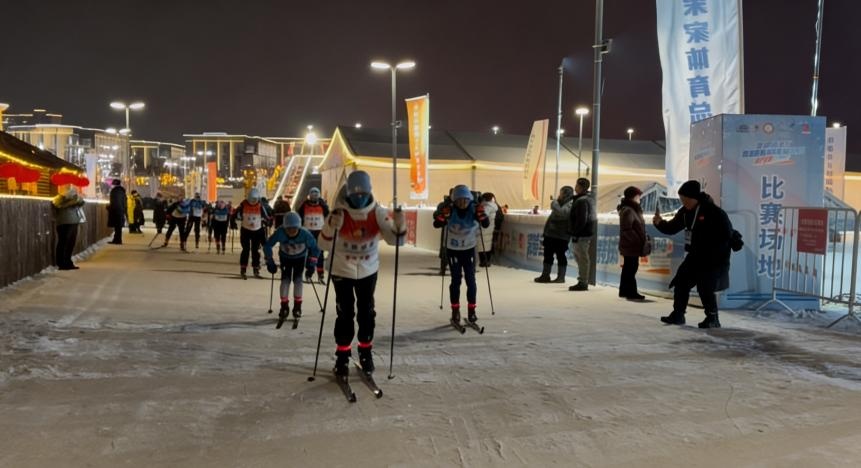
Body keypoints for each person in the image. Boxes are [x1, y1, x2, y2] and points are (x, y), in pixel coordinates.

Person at [318, 170, 405, 376]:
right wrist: (331, 227)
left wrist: (399, 226)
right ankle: (342, 355)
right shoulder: (338, 212)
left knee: (366, 312)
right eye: (356, 195)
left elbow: (396, 241)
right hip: (342, 270)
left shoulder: (377, 212)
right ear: (348, 193)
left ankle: (365, 351)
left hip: (367, 270)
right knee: (345, 313)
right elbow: (322, 243)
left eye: (363, 194)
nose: (360, 198)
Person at [653, 180, 731, 328]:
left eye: (685, 199)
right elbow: (672, 227)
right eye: (681, 199)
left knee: (705, 287)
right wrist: (659, 223)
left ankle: (712, 318)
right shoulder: (685, 212)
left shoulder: (713, 212)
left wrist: (717, 256)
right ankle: (678, 314)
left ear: (694, 197)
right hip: (695, 255)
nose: (683, 202)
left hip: (712, 257)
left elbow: (727, 234)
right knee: (681, 282)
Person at [433, 184, 490, 325]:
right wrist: (442, 216)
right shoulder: (449, 209)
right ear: (454, 201)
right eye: (459, 200)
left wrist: (482, 215)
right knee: (456, 280)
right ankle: (455, 311)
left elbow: (486, 225)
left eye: (465, 200)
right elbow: (436, 224)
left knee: (471, 281)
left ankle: (472, 311)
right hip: (453, 249)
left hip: (469, 249)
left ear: (469, 199)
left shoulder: (474, 208)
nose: (462, 203)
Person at [264, 212, 320, 321]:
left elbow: (315, 248)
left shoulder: (305, 234)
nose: (291, 231)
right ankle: (284, 306)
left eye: (294, 229)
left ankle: (297, 307)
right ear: (284, 227)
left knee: (298, 280)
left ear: (299, 227)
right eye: (288, 229)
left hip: (299, 259)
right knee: (285, 281)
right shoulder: (280, 232)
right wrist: (269, 260)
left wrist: (312, 264)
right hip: (286, 259)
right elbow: (267, 245)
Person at [535, 186, 574, 283]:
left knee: (560, 255)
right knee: (548, 254)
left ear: (565, 194)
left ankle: (561, 277)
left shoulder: (570, 203)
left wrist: (554, 203)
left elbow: (563, 214)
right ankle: (545, 275)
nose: (559, 195)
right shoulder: (560, 203)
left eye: (561, 193)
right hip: (551, 234)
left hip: (561, 235)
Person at [234, 188, 272, 279]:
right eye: (252, 200)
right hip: (246, 230)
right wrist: (234, 221)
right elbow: (235, 214)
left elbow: (266, 216)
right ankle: (243, 268)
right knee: (246, 250)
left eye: (255, 200)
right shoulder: (243, 205)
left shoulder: (260, 206)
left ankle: (256, 268)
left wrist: (268, 221)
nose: (253, 202)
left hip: (257, 230)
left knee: (255, 250)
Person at [295, 187, 330, 282]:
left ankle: (320, 274)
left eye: (316, 197)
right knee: (309, 253)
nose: (314, 200)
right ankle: (309, 273)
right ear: (309, 196)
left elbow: (329, 217)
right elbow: (298, 217)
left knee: (320, 254)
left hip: (319, 232)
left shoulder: (323, 206)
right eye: (312, 196)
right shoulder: (304, 205)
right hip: (307, 232)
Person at [618, 186, 647, 300]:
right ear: (634, 196)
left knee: (628, 268)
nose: (640, 198)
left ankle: (624, 290)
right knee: (631, 268)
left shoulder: (630, 209)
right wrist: (637, 240)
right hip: (631, 245)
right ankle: (631, 292)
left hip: (630, 244)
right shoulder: (629, 210)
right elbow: (627, 228)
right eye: (638, 196)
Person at [568, 178, 595, 291]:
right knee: (580, 257)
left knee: (582, 258)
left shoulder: (582, 201)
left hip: (581, 234)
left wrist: (575, 232)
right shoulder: (585, 199)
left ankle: (583, 282)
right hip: (583, 233)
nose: (575, 187)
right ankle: (582, 280)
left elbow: (581, 219)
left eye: (577, 185)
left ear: (581, 187)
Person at [52, 187, 85, 270]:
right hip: (65, 222)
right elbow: (58, 205)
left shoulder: (74, 198)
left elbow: (82, 202)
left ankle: (67, 262)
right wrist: (72, 201)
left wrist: (77, 200)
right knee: (64, 242)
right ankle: (62, 263)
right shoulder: (59, 199)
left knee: (70, 243)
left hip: (73, 221)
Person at [477, 192, 500, 267]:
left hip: (484, 229)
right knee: (487, 245)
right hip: (489, 229)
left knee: (482, 245)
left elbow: (483, 216)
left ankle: (484, 261)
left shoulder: (486, 206)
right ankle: (486, 261)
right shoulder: (493, 206)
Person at [107, 179, 126, 244]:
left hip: (116, 211)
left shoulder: (115, 191)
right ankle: (117, 239)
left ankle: (117, 240)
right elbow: (123, 202)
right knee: (118, 227)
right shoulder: (122, 191)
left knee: (117, 226)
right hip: (120, 211)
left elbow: (115, 202)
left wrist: (109, 207)